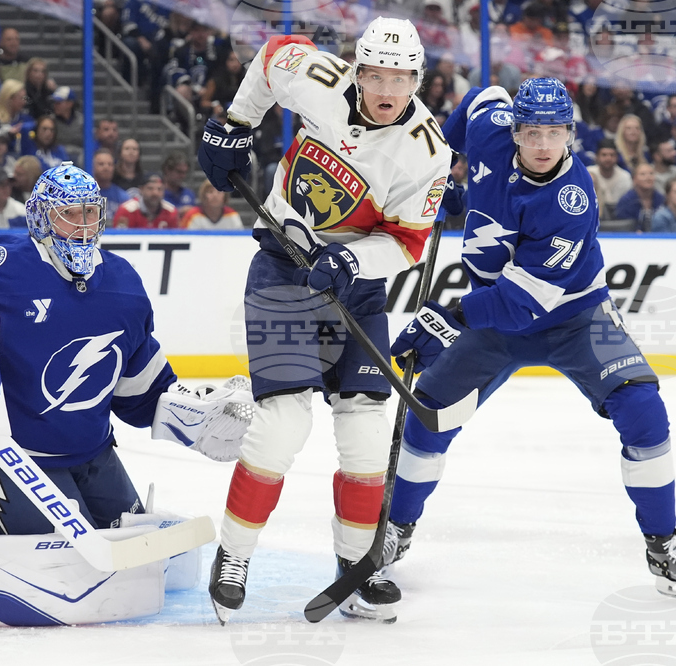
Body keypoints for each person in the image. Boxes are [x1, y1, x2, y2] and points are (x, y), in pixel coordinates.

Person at [0, 162, 252, 630]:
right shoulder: (1, 267)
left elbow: (139, 393)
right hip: (4, 458)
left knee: (138, 566)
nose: (82, 227)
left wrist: (194, 421)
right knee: (65, 570)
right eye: (68, 214)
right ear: (40, 218)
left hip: (92, 455)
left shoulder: (123, 284)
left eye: (90, 213)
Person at [381, 77, 676, 610]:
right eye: (533, 133)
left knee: (643, 409)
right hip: (494, 318)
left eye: (555, 133)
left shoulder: (571, 200)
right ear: (514, 131)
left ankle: (663, 545)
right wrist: (440, 171)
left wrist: (448, 318)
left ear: (571, 134)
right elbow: (481, 96)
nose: (543, 145)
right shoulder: (489, 128)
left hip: (574, 317)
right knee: (428, 415)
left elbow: (523, 303)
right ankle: (396, 529)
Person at [197, 18, 451, 624]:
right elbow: (272, 55)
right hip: (283, 267)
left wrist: (351, 260)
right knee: (283, 423)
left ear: (418, 80)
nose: (388, 90)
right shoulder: (317, 78)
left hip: (354, 286)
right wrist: (237, 123)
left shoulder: (427, 153)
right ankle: (234, 556)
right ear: (357, 71)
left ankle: (357, 568)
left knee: (365, 430)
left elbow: (407, 243)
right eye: (377, 75)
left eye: (402, 78)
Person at [112, 173, 179, 229]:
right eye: (150, 188)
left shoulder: (171, 212)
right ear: (141, 190)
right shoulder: (126, 211)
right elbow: (119, 238)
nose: (155, 193)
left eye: (159, 189)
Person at [587, 139, 632, 221]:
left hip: (619, 218)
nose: (608, 158)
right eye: (604, 155)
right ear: (597, 157)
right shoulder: (588, 174)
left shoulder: (625, 177)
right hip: (594, 217)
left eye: (612, 155)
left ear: (617, 157)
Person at [614, 163, 666, 231]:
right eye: (643, 174)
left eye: (651, 174)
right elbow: (623, 226)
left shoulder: (661, 199)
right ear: (634, 179)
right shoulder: (626, 201)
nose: (648, 177)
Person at [91, 147, 129, 222]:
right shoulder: (85, 194)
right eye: (101, 164)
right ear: (92, 167)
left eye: (110, 164)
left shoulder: (123, 197)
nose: (106, 168)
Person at [160, 152, 195, 218]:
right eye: (179, 172)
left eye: (185, 172)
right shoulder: (157, 194)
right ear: (167, 170)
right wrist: (178, 212)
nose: (183, 176)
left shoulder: (189, 194)